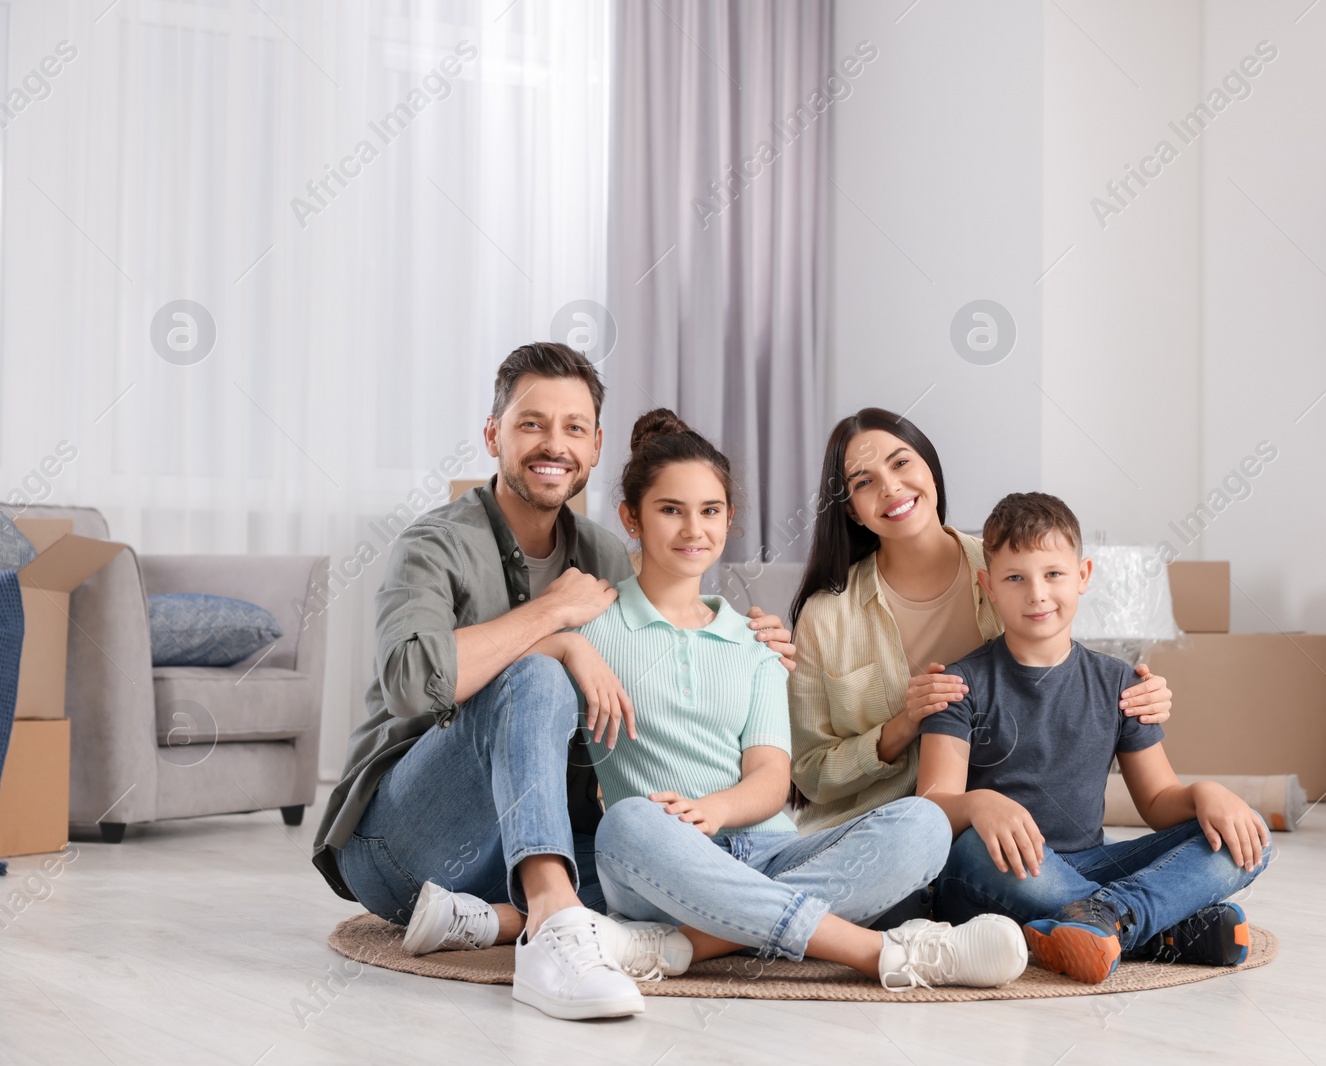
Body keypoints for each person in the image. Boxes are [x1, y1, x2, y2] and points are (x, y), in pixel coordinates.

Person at [309, 344, 797, 1021]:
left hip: (508, 852)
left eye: (573, 428)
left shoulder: (600, 550)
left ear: (595, 446)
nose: (553, 444)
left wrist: (753, 638)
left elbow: (668, 628)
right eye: (531, 423)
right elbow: (412, 682)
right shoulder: (433, 544)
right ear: (493, 435)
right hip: (400, 843)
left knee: (650, 849)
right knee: (536, 676)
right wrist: (556, 626)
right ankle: (554, 930)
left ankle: (494, 919)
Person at [529, 409, 1029, 991]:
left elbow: (773, 779)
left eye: (710, 511)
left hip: (771, 852)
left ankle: (683, 947)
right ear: (630, 519)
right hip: (666, 865)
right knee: (626, 824)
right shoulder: (597, 621)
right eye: (671, 511)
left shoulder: (755, 640)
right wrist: (568, 644)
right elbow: (513, 682)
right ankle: (881, 953)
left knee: (922, 823)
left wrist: (717, 809)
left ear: (729, 519)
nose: (694, 530)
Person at [916, 492, 1270, 984]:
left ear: (1083, 576)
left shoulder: (1119, 682)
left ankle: (1108, 918)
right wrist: (978, 804)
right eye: (1015, 578)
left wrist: (1204, 793)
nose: (1037, 593)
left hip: (1092, 864)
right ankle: (1155, 928)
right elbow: (932, 803)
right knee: (976, 848)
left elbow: (1159, 801)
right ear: (989, 587)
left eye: (1053, 574)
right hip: (997, 868)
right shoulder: (961, 684)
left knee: (1246, 833)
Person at [787, 408, 1173, 840]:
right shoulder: (825, 617)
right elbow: (809, 773)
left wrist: (1138, 698)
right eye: (863, 482)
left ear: (931, 470)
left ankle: (1109, 903)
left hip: (999, 833)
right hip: (876, 833)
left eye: (900, 463)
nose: (890, 487)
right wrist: (901, 726)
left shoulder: (1009, 565)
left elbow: (1056, 671)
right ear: (853, 511)